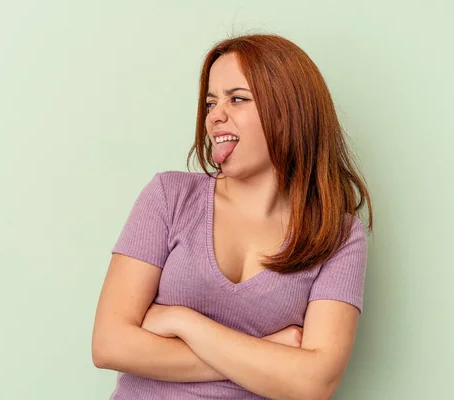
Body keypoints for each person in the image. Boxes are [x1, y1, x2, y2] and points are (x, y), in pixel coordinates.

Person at [92, 33, 373, 400]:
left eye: (237, 98)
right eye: (211, 103)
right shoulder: (169, 197)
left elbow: (313, 385)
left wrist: (183, 321)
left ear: (289, 111)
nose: (215, 116)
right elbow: (110, 345)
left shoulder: (336, 236)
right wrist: (267, 352)